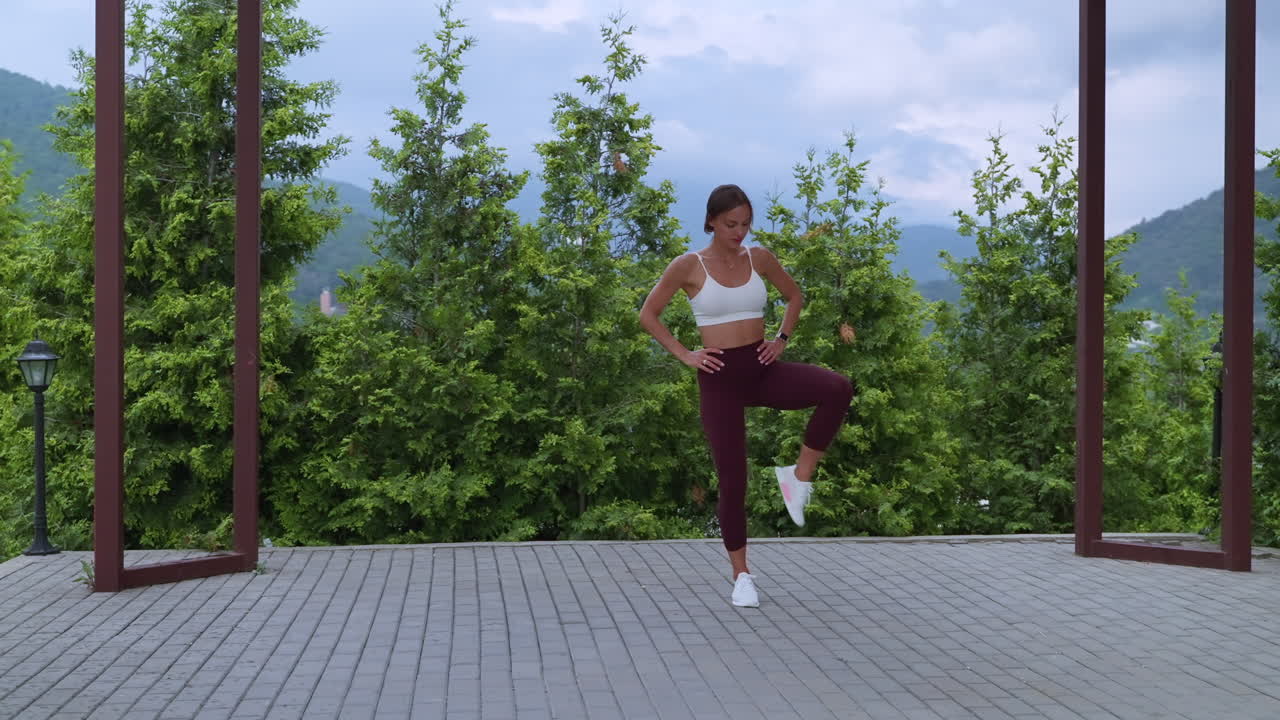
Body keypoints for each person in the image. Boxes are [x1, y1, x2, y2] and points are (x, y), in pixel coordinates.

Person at [638, 184, 856, 608]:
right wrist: (686, 355)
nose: (740, 232)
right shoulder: (688, 265)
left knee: (837, 387)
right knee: (733, 479)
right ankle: (742, 575)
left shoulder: (760, 258)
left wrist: (782, 338)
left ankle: (799, 475)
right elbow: (648, 314)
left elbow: (794, 296)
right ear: (711, 223)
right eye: (730, 224)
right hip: (718, 379)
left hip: (762, 369)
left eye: (745, 224)